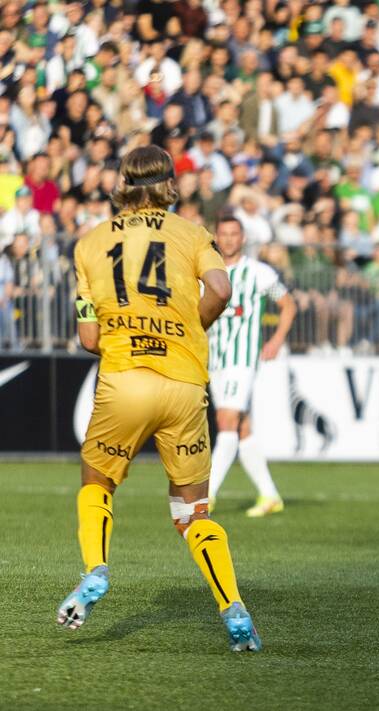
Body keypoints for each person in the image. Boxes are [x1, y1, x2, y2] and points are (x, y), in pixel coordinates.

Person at [60, 145, 261, 651]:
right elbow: (221, 288)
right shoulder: (194, 235)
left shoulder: (89, 244)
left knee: (97, 480)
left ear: (122, 183)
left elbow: (88, 339)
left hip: (125, 378)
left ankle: (96, 568)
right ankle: (232, 607)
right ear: (170, 184)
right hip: (183, 383)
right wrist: (188, 328)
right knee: (193, 512)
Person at [206, 216, 297, 517]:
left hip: (241, 360)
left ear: (243, 238)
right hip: (216, 360)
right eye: (224, 234)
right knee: (242, 428)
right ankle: (270, 495)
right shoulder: (209, 274)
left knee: (226, 422)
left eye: (235, 234)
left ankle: (206, 497)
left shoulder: (258, 272)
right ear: (216, 237)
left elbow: (288, 305)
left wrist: (276, 340)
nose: (229, 239)